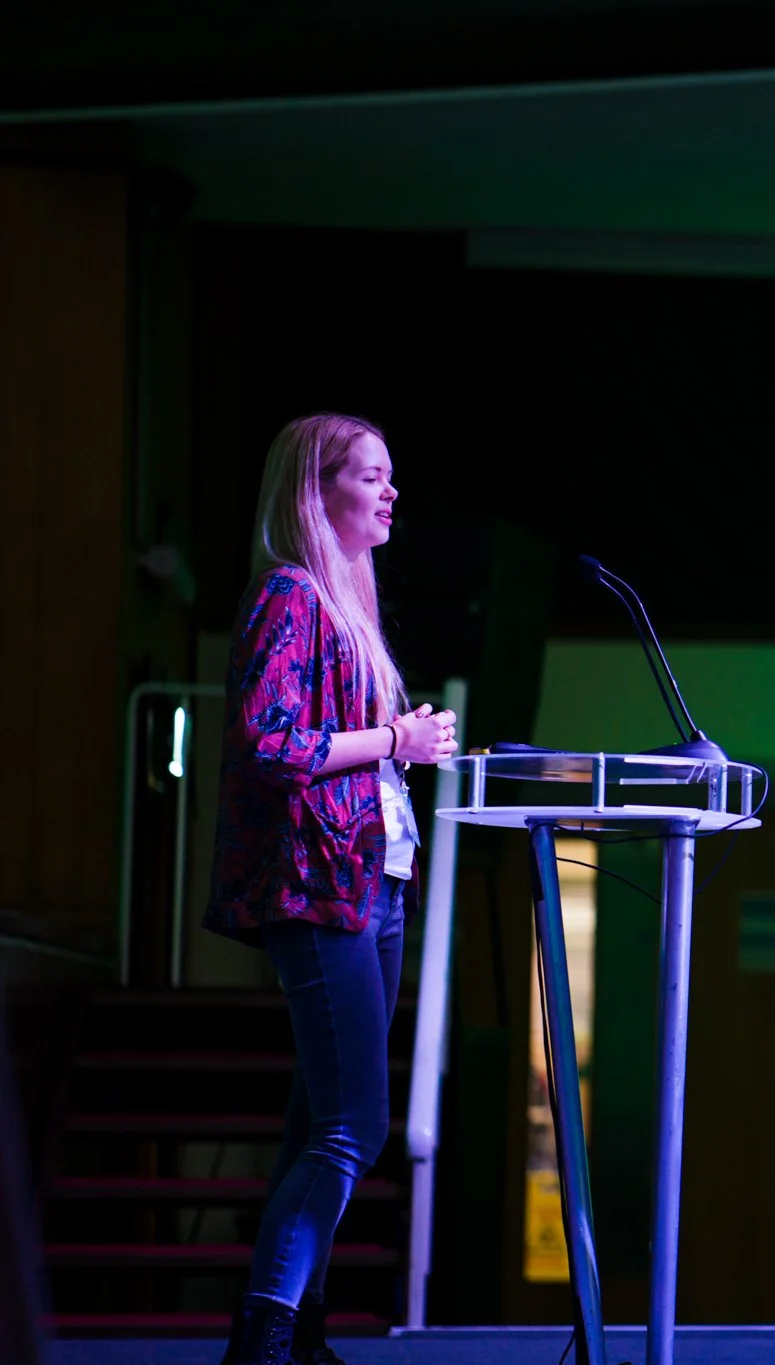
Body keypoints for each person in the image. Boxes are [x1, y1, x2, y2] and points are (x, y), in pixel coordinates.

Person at [201, 414, 459, 1365]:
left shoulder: (347, 604)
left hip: (370, 883)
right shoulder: (291, 596)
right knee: (355, 1123)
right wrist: (399, 742)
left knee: (321, 1115)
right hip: (318, 889)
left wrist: (403, 743)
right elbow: (268, 743)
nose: (392, 493)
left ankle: (297, 1330)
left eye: (393, 478)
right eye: (372, 476)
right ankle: (264, 1337)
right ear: (319, 489)